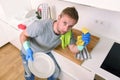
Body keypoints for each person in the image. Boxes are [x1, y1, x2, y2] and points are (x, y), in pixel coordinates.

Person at [20, 6, 90, 80]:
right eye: (64, 23)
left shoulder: (68, 33)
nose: (66, 29)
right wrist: (27, 49)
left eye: (70, 26)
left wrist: (82, 44)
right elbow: (23, 35)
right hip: (28, 52)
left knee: (55, 72)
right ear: (59, 17)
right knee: (29, 74)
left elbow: (73, 49)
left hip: (45, 52)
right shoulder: (40, 26)